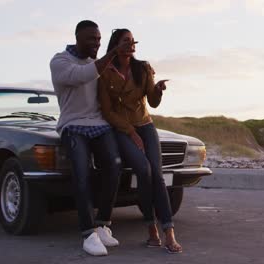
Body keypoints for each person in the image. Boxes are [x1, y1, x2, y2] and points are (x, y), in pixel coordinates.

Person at [50, 20, 132, 256]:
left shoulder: (100, 63)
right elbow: (84, 75)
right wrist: (112, 53)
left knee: (115, 165)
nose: (96, 43)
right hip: (73, 124)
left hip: (98, 124)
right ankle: (88, 233)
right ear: (77, 38)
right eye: (91, 39)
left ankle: (103, 223)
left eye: (98, 39)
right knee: (82, 172)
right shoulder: (60, 61)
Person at [97, 28, 183, 254]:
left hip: (146, 126)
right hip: (122, 129)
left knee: (157, 173)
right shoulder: (104, 72)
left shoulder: (143, 68)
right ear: (116, 45)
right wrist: (130, 132)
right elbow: (107, 112)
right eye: (126, 41)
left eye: (132, 40)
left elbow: (152, 103)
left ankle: (168, 233)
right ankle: (151, 230)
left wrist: (158, 90)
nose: (131, 44)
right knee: (143, 169)